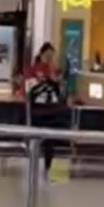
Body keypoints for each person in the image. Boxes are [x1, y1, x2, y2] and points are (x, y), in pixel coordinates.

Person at [27, 42, 67, 175]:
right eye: (49, 55)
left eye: (52, 56)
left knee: (53, 141)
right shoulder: (34, 69)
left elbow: (60, 92)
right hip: (39, 110)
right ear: (43, 54)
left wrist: (58, 83)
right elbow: (30, 90)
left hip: (53, 110)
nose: (51, 58)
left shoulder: (52, 69)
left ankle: (52, 170)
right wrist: (48, 82)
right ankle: (40, 169)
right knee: (40, 140)